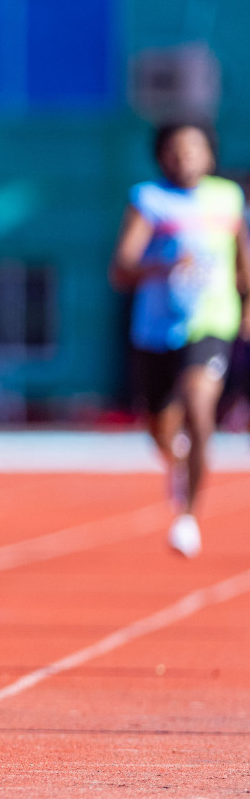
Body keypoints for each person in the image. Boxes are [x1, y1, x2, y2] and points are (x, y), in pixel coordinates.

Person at [110, 120, 249, 559]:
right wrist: (164, 265)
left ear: (210, 154)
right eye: (175, 150)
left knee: (199, 407)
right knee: (158, 425)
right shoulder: (149, 200)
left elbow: (244, 261)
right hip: (155, 330)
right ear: (161, 157)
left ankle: (187, 516)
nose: (184, 157)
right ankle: (177, 461)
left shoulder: (228, 198)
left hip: (211, 321)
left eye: (193, 148)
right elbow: (121, 269)